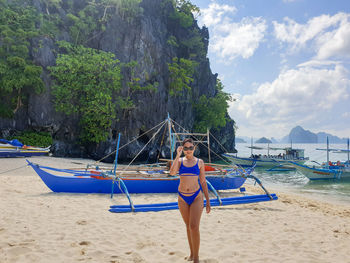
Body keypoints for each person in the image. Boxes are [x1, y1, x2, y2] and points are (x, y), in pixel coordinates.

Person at [169, 138, 211, 263]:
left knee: (194, 226)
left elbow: (203, 181)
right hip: (182, 197)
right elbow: (172, 172)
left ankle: (196, 259)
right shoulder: (180, 161)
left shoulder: (200, 162)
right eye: (185, 148)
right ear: (183, 149)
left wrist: (208, 201)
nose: (188, 150)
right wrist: (177, 155)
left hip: (196, 197)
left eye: (190, 148)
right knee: (188, 226)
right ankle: (192, 254)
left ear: (194, 148)